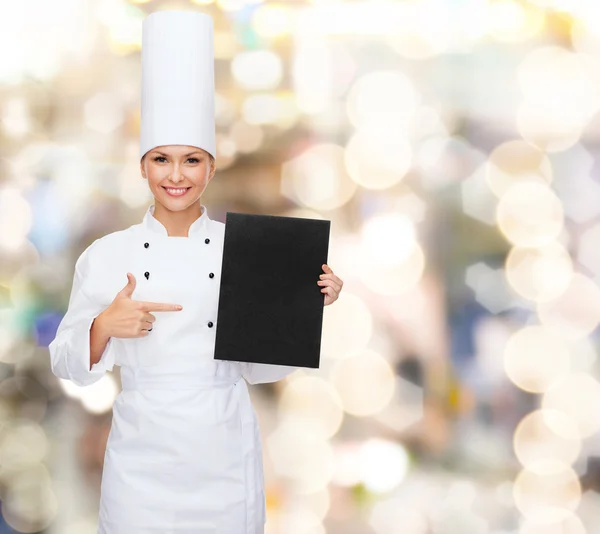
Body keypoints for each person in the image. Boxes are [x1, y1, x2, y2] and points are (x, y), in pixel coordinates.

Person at [48, 10, 343, 534]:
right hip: (142, 461)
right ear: (142, 166)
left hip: (224, 454)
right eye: (161, 159)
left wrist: (305, 304)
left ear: (211, 166)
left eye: (191, 160)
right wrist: (102, 327)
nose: (176, 175)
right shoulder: (107, 253)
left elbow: (263, 368)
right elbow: (68, 364)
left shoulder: (248, 250)